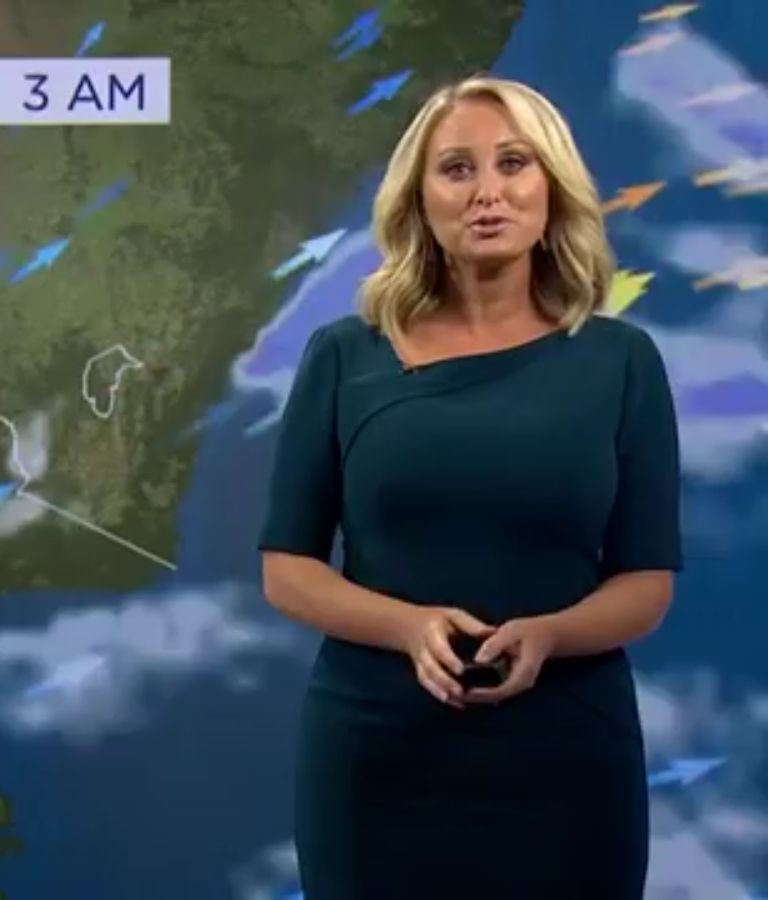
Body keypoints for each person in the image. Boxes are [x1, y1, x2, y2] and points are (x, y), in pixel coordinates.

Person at [257, 74, 681, 899]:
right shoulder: (345, 356)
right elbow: (288, 570)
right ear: (419, 200)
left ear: (552, 188)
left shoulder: (622, 363)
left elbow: (646, 583)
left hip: (568, 760)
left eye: (513, 163)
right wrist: (408, 628)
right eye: (457, 169)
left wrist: (551, 635)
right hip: (378, 762)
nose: (488, 191)